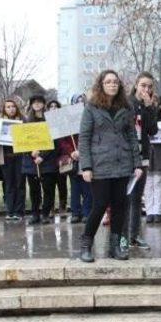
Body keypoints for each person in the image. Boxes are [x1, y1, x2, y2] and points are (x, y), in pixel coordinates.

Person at [78, 70, 142, 262]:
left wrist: (137, 163)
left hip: (122, 164)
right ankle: (86, 244)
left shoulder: (126, 106)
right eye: (108, 82)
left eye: (115, 82)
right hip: (100, 165)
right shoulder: (91, 107)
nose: (113, 84)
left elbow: (131, 136)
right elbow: (84, 138)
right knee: (99, 205)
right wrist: (86, 167)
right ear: (101, 85)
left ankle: (115, 247)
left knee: (119, 206)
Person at [126, 72, 158, 249]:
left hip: (143, 154)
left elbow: (152, 130)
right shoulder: (127, 103)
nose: (146, 89)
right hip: (127, 156)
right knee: (125, 197)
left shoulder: (149, 106)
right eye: (143, 85)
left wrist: (148, 108)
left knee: (137, 197)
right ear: (136, 84)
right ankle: (122, 236)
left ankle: (134, 234)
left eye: (149, 86)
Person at [22, 95, 58, 225]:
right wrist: (31, 153)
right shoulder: (26, 121)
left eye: (39, 102)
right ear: (31, 105)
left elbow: (54, 141)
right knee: (34, 190)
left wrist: (42, 156)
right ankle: (35, 214)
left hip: (47, 161)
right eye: (34, 103)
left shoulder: (50, 120)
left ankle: (45, 214)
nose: (37, 105)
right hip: (31, 162)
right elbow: (22, 141)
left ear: (43, 104)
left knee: (48, 189)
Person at [58, 94, 92, 224]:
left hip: (86, 156)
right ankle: (75, 212)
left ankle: (87, 212)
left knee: (87, 186)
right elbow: (63, 140)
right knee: (75, 187)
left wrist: (81, 150)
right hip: (73, 157)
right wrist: (71, 151)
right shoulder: (67, 120)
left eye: (81, 102)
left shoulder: (89, 117)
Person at [0, 99, 26, 221]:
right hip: (6, 158)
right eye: (8, 107)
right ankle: (10, 211)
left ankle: (19, 211)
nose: (11, 109)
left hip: (20, 157)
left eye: (13, 106)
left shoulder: (23, 121)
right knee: (8, 184)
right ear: (4, 109)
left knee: (20, 184)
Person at [143, 94, 161, 224]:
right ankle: (149, 211)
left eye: (155, 101)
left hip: (159, 153)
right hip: (146, 152)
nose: (153, 104)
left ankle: (157, 211)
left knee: (158, 182)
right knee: (148, 184)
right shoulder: (142, 117)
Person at [47, 100, 69, 217]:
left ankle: (62, 207)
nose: (53, 108)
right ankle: (50, 207)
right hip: (48, 158)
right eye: (51, 106)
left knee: (62, 184)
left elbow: (66, 141)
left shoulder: (63, 122)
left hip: (61, 157)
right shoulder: (45, 122)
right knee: (49, 185)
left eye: (56, 106)